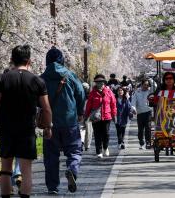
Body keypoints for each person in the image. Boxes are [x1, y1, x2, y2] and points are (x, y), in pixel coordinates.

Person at [0, 45, 52, 198]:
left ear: (11, 60)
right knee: (26, 170)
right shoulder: (38, 81)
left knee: (6, 168)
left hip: (6, 129)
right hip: (27, 130)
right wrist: (47, 127)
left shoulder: (2, 78)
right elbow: (47, 109)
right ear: (29, 61)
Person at [40, 47, 85, 194]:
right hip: (69, 120)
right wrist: (79, 112)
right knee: (74, 150)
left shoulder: (42, 78)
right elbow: (81, 94)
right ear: (62, 60)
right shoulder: (70, 75)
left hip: (50, 123)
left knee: (51, 156)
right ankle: (72, 169)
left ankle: (52, 187)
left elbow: (36, 100)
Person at [84, 74, 117, 158]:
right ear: (96, 83)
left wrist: (114, 115)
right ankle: (98, 151)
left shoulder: (109, 92)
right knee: (97, 134)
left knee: (106, 133)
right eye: (98, 82)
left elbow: (113, 104)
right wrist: (86, 116)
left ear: (104, 83)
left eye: (102, 82)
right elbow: (88, 106)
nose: (100, 84)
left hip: (107, 116)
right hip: (96, 117)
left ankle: (105, 147)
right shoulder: (92, 93)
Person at [131, 79, 153, 149]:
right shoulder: (137, 92)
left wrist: (151, 80)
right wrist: (133, 109)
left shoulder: (150, 91)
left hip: (148, 112)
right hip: (140, 113)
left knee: (148, 127)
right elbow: (133, 102)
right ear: (141, 84)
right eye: (145, 85)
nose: (146, 86)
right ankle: (141, 141)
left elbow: (155, 85)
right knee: (140, 129)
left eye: (147, 85)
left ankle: (148, 142)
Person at [81, 82, 93, 152]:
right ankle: (87, 145)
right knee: (89, 130)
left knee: (82, 128)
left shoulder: (78, 93)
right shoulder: (91, 95)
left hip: (83, 112)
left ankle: (82, 142)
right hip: (88, 113)